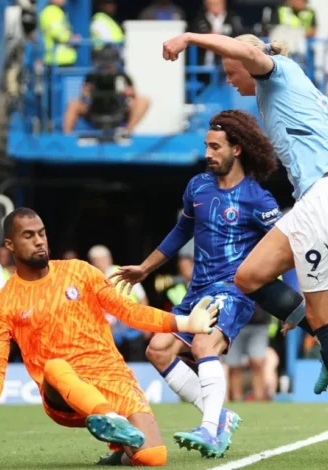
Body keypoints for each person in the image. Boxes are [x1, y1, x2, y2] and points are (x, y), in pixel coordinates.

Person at [161, 31, 328, 455]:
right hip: (323, 200)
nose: (229, 78)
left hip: (327, 198)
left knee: (323, 315)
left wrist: (188, 37)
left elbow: (248, 52)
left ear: (250, 60)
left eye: (230, 69)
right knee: (250, 276)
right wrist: (313, 137)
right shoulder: (296, 82)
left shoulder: (271, 72)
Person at [0, 208, 219, 470]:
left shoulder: (80, 271)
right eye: (28, 235)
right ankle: (110, 419)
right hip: (63, 394)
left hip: (112, 377)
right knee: (55, 366)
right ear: (10, 245)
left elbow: (128, 311)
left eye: (42, 233)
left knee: (153, 457)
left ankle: (121, 446)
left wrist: (184, 322)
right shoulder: (3, 302)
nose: (39, 241)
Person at [112, 111, 281, 457]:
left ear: (237, 149)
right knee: (157, 350)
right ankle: (219, 416)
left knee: (204, 346)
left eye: (215, 147)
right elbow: (181, 232)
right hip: (197, 291)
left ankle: (210, 431)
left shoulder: (258, 199)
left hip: (233, 291)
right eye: (206, 146)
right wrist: (145, 268)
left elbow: (283, 250)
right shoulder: (197, 187)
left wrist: (290, 306)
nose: (207, 153)